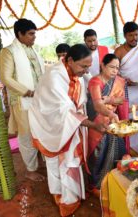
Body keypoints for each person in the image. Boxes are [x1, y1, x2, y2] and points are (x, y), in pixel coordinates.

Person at [28, 44, 107, 216]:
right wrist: (93, 125)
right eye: (83, 66)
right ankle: (64, 198)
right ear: (70, 60)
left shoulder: (74, 72)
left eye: (88, 66)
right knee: (58, 162)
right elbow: (64, 111)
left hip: (70, 124)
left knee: (71, 159)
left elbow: (81, 101)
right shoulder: (55, 75)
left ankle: (74, 193)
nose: (86, 71)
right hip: (51, 126)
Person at [0, 18, 45, 181]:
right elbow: (5, 78)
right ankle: (30, 170)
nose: (34, 37)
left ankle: (41, 160)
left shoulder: (34, 51)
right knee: (26, 136)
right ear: (20, 34)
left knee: (40, 131)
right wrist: (27, 92)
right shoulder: (9, 51)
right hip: (22, 101)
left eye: (34, 34)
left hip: (39, 100)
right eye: (31, 34)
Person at [87, 53, 128, 196]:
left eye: (117, 68)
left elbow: (123, 100)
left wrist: (109, 99)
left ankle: (113, 182)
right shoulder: (95, 82)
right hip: (98, 123)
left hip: (114, 123)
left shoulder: (120, 81)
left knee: (116, 151)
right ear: (102, 65)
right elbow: (98, 106)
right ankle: (96, 186)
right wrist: (110, 112)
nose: (115, 71)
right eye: (111, 67)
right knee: (98, 154)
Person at [114, 21, 138, 155]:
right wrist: (123, 81)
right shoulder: (119, 52)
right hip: (128, 94)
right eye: (131, 35)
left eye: (136, 35)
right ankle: (131, 151)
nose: (134, 38)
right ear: (125, 36)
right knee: (130, 123)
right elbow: (113, 73)